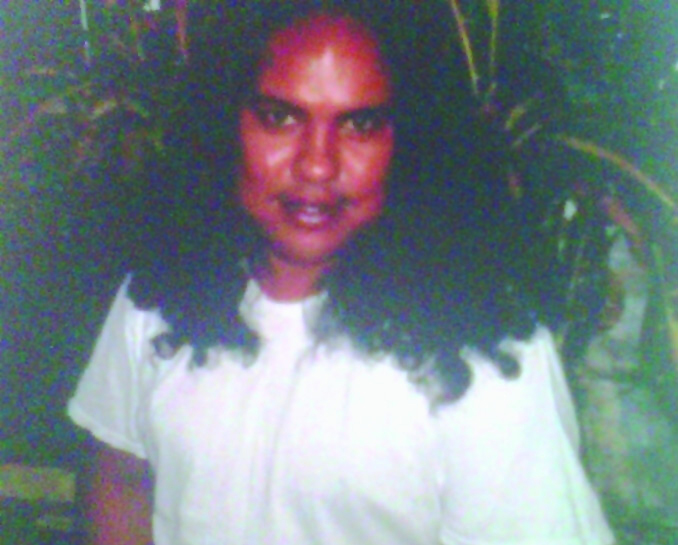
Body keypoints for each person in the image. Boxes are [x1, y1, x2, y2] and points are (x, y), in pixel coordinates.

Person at [67, 1, 615, 544]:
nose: (316, 165)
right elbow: (120, 473)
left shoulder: (484, 351)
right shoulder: (165, 292)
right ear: (224, 123)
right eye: (281, 117)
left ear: (412, 139)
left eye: (359, 124)